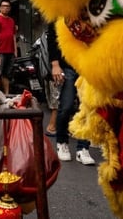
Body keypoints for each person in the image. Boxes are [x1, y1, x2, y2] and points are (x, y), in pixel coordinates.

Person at [47, 22, 94, 165]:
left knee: (86, 108)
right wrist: (55, 65)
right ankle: (62, 142)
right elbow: (53, 38)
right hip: (67, 66)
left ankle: (83, 148)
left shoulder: (90, 11)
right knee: (66, 106)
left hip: (87, 66)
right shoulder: (60, 12)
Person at [0, 0, 17, 93]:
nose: (6, 8)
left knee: (7, 74)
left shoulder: (11, 20)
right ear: (0, 7)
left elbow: (13, 36)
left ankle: (7, 94)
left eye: (8, 6)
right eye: (3, 6)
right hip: (0, 52)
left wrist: (15, 51)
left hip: (10, 52)